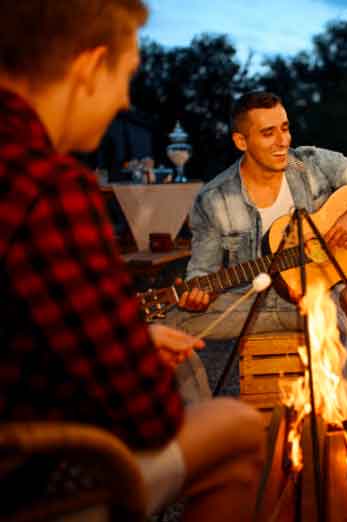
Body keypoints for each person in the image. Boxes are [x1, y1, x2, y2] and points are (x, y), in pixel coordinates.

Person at [0, 2, 270, 520]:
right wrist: (130, 351)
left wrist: (126, 335)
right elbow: (147, 415)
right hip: (28, 480)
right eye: (125, 76)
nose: (125, 98)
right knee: (236, 426)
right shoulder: (48, 187)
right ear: (87, 67)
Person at [164, 91, 347, 404]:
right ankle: (206, 423)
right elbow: (203, 272)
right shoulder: (214, 198)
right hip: (253, 303)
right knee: (168, 325)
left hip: (322, 294)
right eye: (268, 133)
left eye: (285, 128)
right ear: (241, 141)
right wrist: (199, 293)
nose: (282, 141)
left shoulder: (311, 163)